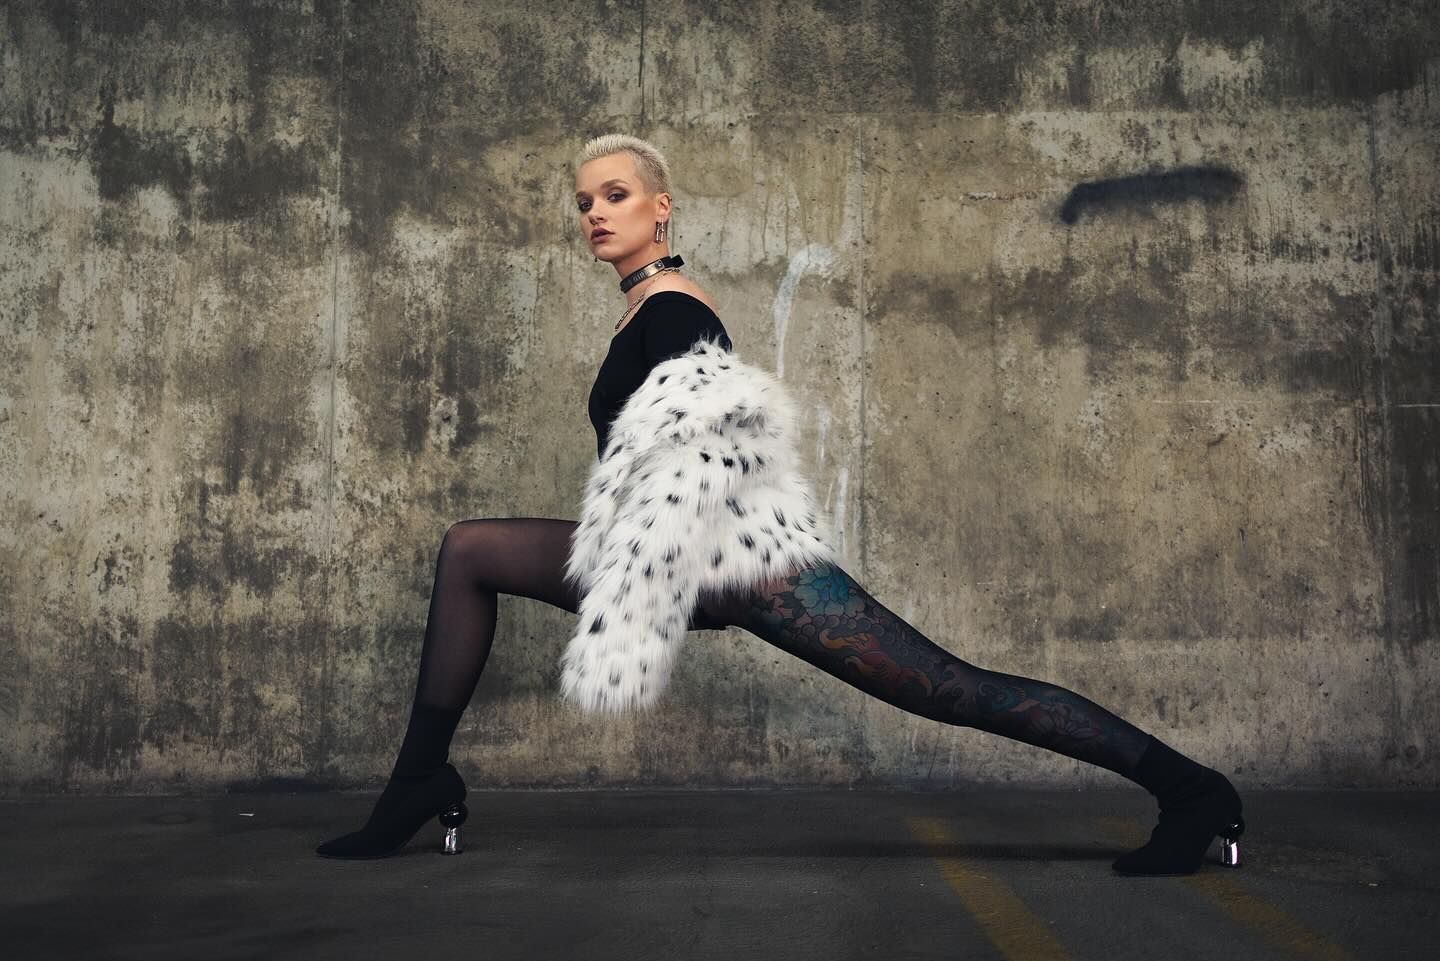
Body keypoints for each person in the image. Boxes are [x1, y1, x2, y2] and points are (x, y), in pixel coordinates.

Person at [316, 134, 1245, 875]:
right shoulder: (645, 310)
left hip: (743, 566)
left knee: (952, 689)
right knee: (470, 550)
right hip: (680, 562)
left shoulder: (675, 311)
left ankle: (1192, 790)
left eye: (616, 195)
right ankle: (420, 780)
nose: (595, 212)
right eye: (584, 201)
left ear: (660, 206)